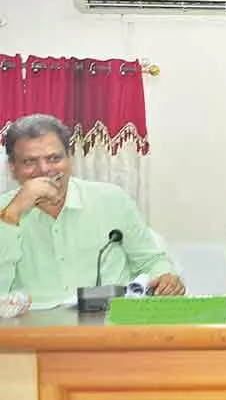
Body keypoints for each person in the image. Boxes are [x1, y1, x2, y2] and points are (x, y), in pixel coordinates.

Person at [0, 114, 184, 304]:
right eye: (29, 162)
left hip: (110, 323)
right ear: (12, 167)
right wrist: (11, 214)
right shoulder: (4, 209)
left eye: (54, 158)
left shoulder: (112, 200)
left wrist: (165, 277)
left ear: (70, 158)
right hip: (33, 328)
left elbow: (151, 261)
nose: (44, 169)